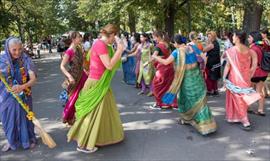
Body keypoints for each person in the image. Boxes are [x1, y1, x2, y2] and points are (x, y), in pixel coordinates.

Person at [67, 24, 124, 153]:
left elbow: (90, 61)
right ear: (111, 35)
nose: (115, 39)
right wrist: (120, 50)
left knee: (100, 113)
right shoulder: (100, 45)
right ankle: (84, 144)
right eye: (114, 37)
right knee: (92, 114)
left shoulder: (101, 44)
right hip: (96, 84)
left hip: (98, 83)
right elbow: (109, 65)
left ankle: (99, 137)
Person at [152, 34, 217, 135]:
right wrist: (202, 68)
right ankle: (204, 122)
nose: (174, 45)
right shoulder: (193, 47)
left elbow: (165, 62)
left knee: (185, 98)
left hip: (186, 78)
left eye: (174, 43)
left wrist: (155, 57)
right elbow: (204, 57)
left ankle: (192, 120)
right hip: (197, 76)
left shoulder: (177, 52)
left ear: (176, 43)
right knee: (199, 99)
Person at [0, 37, 37, 151]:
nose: (17, 52)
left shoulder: (26, 60)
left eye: (20, 49)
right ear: (7, 48)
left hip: (24, 94)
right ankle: (11, 140)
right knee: (7, 119)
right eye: (14, 50)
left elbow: (33, 79)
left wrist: (22, 87)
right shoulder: (2, 60)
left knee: (25, 117)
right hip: (6, 96)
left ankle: (28, 139)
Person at [223, 31, 259, 130]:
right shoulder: (250, 50)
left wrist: (223, 77)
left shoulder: (231, 50)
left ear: (238, 38)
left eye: (234, 36)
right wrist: (250, 73)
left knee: (238, 98)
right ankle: (238, 117)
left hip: (235, 78)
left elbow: (228, 66)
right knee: (242, 98)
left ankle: (245, 120)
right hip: (246, 78)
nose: (232, 38)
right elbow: (255, 63)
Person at [60, 31, 87, 125]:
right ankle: (69, 117)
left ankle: (81, 115)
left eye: (80, 37)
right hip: (74, 78)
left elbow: (82, 63)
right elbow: (62, 66)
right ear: (73, 39)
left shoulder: (79, 48)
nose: (80, 38)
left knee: (84, 96)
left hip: (82, 75)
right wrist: (70, 77)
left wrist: (86, 70)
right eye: (79, 37)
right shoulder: (69, 51)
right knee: (74, 98)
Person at [151, 31, 177, 109]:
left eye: (154, 37)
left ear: (158, 37)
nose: (154, 39)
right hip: (170, 68)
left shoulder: (158, 46)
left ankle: (161, 103)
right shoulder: (167, 45)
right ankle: (170, 103)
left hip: (162, 69)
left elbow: (154, 56)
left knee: (157, 86)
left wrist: (152, 59)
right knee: (168, 86)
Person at [248, 31, 269, 116]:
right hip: (263, 72)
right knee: (259, 91)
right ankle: (261, 110)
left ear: (253, 38)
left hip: (254, 73)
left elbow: (249, 62)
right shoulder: (262, 46)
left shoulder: (253, 49)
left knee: (248, 91)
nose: (248, 39)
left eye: (249, 37)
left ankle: (247, 107)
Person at [203, 31, 221, 96]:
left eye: (209, 36)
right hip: (216, 63)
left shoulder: (212, 44)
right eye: (208, 36)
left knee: (208, 77)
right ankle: (215, 90)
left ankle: (210, 91)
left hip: (212, 63)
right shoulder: (217, 43)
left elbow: (204, 50)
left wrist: (207, 43)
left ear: (213, 37)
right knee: (214, 78)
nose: (208, 38)